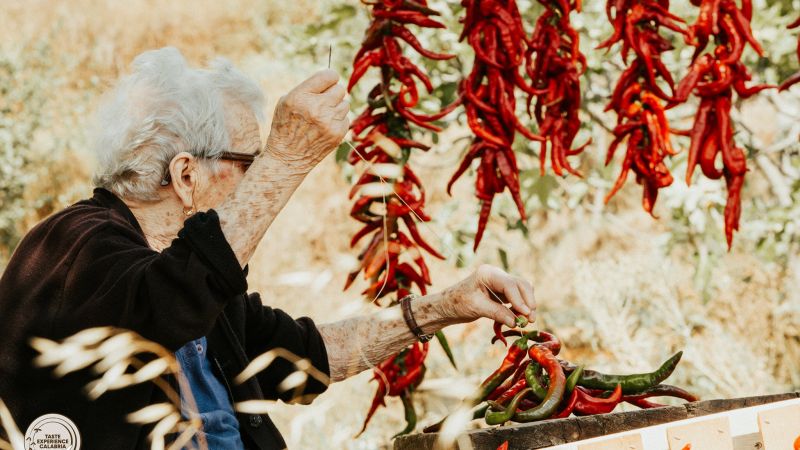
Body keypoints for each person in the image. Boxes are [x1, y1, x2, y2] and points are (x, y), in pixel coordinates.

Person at [0, 47, 536, 449]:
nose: (258, 179)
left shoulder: (187, 271)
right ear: (186, 174)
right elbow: (168, 300)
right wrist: (288, 158)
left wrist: (448, 306)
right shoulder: (72, 248)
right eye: (248, 163)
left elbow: (305, 356)